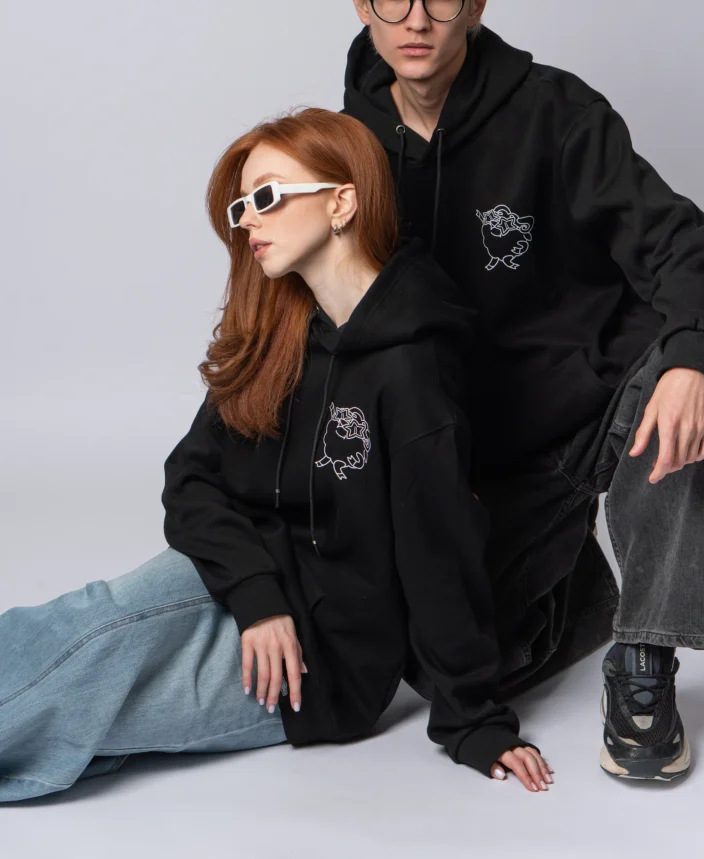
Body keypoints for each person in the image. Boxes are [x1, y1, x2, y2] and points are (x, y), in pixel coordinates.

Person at [339, 0, 704, 782]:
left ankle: (645, 653)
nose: (416, 20)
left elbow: (685, 246)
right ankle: (579, 588)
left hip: (599, 403)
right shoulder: (346, 146)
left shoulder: (558, 112)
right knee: (449, 665)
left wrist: (691, 356)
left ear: (477, 2)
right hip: (479, 456)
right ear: (361, 1)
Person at [0, 108, 554, 802]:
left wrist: (475, 720)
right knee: (91, 626)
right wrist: (258, 598)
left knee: (87, 706)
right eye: (242, 206)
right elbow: (191, 477)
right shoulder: (281, 327)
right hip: (238, 570)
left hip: (323, 657)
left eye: (266, 196)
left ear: (342, 202)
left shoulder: (412, 367)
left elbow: (437, 547)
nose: (248, 222)